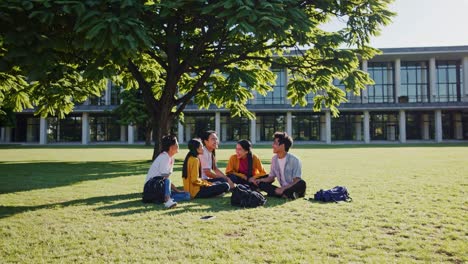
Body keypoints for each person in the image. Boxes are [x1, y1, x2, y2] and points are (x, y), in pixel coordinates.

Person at [144, 135, 190, 208]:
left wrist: (177, 190)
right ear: (171, 147)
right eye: (177, 143)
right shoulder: (164, 157)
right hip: (152, 187)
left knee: (187, 195)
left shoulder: (171, 158)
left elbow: (165, 180)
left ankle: (163, 198)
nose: (178, 145)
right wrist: (176, 190)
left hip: (161, 187)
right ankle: (168, 200)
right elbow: (165, 179)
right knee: (167, 180)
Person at [256, 132, 306, 199]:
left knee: (302, 183)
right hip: (281, 189)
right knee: (261, 184)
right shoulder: (274, 159)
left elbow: (296, 180)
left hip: (292, 186)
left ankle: (283, 193)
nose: (272, 145)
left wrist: (283, 188)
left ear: (282, 145)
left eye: (275, 143)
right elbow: (271, 177)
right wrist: (260, 180)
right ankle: (286, 195)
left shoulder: (295, 160)